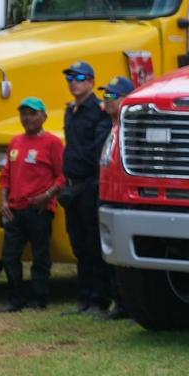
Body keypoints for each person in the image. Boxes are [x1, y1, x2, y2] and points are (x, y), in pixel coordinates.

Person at [0, 97, 63, 313]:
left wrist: (47, 196)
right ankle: (16, 298)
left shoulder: (53, 143)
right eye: (24, 114)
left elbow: (62, 176)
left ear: (43, 116)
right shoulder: (15, 142)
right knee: (10, 256)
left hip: (39, 209)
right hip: (15, 209)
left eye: (33, 113)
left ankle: (40, 298)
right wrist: (3, 201)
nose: (28, 118)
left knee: (40, 256)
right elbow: (5, 175)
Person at [60, 60, 112, 316]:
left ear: (91, 81)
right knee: (78, 244)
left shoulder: (98, 110)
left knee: (93, 244)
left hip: (90, 184)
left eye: (79, 78)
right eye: (70, 78)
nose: (74, 82)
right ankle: (84, 298)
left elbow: (97, 151)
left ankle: (99, 299)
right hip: (72, 185)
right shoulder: (70, 111)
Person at [99, 75, 135, 320]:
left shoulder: (132, 130)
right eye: (106, 95)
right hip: (104, 195)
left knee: (126, 256)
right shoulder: (106, 127)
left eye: (113, 95)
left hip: (125, 199)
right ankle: (118, 302)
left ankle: (131, 304)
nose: (108, 100)